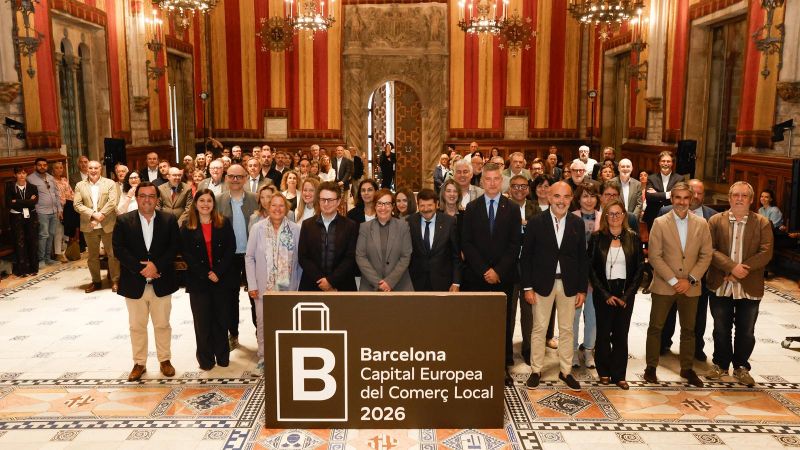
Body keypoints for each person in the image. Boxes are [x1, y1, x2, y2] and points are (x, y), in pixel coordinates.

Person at [643, 182, 712, 387]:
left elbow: (706, 255)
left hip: (691, 286)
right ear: (671, 200)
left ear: (691, 200)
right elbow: (655, 256)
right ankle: (651, 367)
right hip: (665, 285)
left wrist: (690, 279)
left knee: (689, 329)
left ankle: (687, 368)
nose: (682, 202)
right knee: (656, 327)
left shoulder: (701, 224)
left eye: (685, 198)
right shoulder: (660, 222)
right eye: (678, 198)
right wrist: (674, 280)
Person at [705, 182, 773, 387]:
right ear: (729, 197)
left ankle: (742, 367)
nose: (740, 199)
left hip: (749, 285)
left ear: (751, 200)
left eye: (744, 195)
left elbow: (766, 252)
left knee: (746, 330)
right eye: (736, 195)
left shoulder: (762, 222)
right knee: (720, 328)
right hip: (721, 283)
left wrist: (741, 272)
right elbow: (710, 249)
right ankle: (720, 364)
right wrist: (731, 267)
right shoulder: (716, 220)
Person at [521, 181, 587, 391]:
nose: (561, 201)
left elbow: (582, 259)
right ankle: (536, 370)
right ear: (549, 198)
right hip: (541, 284)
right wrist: (527, 287)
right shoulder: (536, 222)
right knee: (539, 329)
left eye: (566, 197)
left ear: (571, 200)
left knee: (567, 330)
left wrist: (582, 289)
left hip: (569, 284)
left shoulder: (577, 223)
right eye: (557, 196)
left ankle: (566, 371)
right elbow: (527, 258)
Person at [461, 163, 521, 387]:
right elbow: (467, 243)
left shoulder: (512, 208)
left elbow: (515, 244)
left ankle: (502, 365)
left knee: (503, 323)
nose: (493, 183)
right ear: (482, 181)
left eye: (497, 178)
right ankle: (477, 363)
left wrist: (498, 271)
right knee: (478, 323)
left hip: (503, 277)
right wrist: (484, 270)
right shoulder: (472, 208)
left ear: (502, 181)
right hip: (477, 277)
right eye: (488, 179)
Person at [113, 181, 180, 382]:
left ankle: (164, 360)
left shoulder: (168, 220)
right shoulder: (124, 221)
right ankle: (139, 363)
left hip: (161, 281)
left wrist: (156, 266)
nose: (147, 200)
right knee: (137, 326)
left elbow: (174, 247)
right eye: (143, 196)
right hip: (134, 283)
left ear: (157, 199)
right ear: (137, 198)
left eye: (151, 196)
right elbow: (119, 249)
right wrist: (141, 268)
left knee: (162, 324)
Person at [657, 178, 717, 359]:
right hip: (669, 278)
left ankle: (696, 348)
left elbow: (710, 250)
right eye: (693, 192)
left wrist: (693, 277)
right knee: (667, 315)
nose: (696, 196)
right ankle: (663, 343)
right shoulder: (665, 212)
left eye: (700, 193)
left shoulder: (711, 216)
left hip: (698, 278)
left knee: (697, 318)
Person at [587, 200, 644, 389]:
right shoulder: (596, 238)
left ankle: (619, 374)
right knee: (603, 334)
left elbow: (639, 269)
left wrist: (627, 295)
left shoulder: (633, 237)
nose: (614, 217)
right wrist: (604, 294)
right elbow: (591, 269)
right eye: (610, 214)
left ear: (624, 216)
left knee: (621, 334)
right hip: (604, 292)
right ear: (605, 217)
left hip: (625, 292)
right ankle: (603, 371)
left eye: (618, 213)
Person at [245, 192, 303, 372]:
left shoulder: (296, 229)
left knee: (287, 323)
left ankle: (287, 356)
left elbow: (301, 260)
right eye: (273, 205)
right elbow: (249, 257)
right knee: (263, 323)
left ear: (287, 208)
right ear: (267, 208)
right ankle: (264, 357)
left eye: (281, 206)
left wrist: (298, 286)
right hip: (264, 288)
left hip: (289, 288)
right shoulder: (258, 228)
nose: (277, 209)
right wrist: (252, 285)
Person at [180, 189, 236, 371]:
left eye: (209, 201)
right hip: (198, 281)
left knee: (221, 319)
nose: (205, 204)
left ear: (214, 204)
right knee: (202, 322)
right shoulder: (187, 226)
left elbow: (231, 248)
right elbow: (186, 254)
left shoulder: (223, 222)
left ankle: (222, 356)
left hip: (221, 279)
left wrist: (217, 271)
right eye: (202, 200)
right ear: (196, 204)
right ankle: (205, 359)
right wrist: (205, 273)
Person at [217, 164, 259, 350]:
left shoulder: (255, 199)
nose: (235, 180)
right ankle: (233, 333)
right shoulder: (217, 201)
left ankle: (261, 333)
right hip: (228, 258)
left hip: (252, 256)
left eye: (239, 177)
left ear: (245, 178)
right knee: (229, 298)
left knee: (255, 296)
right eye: (231, 176)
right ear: (226, 178)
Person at [298, 182, 359, 291]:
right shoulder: (307, 225)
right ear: (318, 200)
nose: (326, 203)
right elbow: (303, 257)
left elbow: (350, 258)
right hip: (313, 285)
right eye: (323, 199)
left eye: (330, 200)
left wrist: (331, 281)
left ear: (338, 201)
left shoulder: (350, 225)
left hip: (342, 285)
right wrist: (322, 280)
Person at [73, 160, 120, 293]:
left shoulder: (109, 183)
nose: (93, 170)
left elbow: (112, 202)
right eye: (90, 168)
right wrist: (93, 214)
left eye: (96, 168)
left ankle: (115, 280)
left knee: (112, 254)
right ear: (87, 170)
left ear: (101, 169)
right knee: (92, 256)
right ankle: (96, 281)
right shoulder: (80, 185)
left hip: (108, 224)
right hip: (89, 225)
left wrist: (101, 215)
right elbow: (77, 205)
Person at [356, 189, 414, 292]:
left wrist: (390, 282)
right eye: (379, 204)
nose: (383, 208)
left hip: (400, 286)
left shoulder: (403, 226)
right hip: (370, 286)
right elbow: (361, 257)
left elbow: (406, 256)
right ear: (375, 206)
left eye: (387, 204)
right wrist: (379, 283)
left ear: (392, 206)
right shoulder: (364, 227)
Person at [570, 183, 601, 368]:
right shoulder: (571, 217)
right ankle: (572, 351)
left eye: (592, 196)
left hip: (596, 277)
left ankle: (589, 350)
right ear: (579, 199)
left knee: (593, 316)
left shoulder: (603, 217)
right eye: (585, 196)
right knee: (572, 317)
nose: (589, 200)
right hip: (574, 276)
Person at [407, 189, 461, 291]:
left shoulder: (449, 222)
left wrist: (456, 282)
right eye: (422, 205)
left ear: (437, 204)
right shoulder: (409, 222)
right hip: (416, 282)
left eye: (429, 205)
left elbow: (456, 256)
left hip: (443, 283)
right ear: (418, 206)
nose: (426, 209)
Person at [27, 158, 62, 267]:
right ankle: (41, 259)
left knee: (51, 234)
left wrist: (59, 209)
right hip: (41, 211)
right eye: (40, 165)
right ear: (35, 166)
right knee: (43, 235)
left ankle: (48, 258)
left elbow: (56, 194)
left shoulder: (51, 178)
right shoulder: (30, 179)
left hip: (53, 211)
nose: (42, 167)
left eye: (44, 165)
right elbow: (29, 196)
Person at [7, 167, 39, 276]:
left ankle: (33, 268)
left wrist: (18, 201)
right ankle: (22, 270)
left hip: (31, 216)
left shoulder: (33, 187)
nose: (21, 175)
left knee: (32, 241)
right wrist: (27, 201)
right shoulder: (10, 187)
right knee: (20, 242)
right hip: (16, 217)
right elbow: (9, 203)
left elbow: (34, 202)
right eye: (19, 173)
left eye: (24, 173)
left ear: (26, 175)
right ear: (15, 175)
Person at [644, 151, 685, 230]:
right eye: (663, 161)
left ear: (672, 163)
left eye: (668, 161)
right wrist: (668, 194)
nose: (665, 164)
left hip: (673, 215)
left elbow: (678, 196)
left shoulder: (679, 179)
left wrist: (657, 194)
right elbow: (649, 196)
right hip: (653, 215)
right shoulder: (651, 178)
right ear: (659, 163)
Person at [51, 161, 75, 262]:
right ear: (52, 170)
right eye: (57, 168)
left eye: (61, 167)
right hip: (57, 208)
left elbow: (70, 192)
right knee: (58, 230)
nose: (59, 169)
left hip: (68, 207)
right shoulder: (51, 181)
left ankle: (65, 251)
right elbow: (53, 196)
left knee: (67, 230)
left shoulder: (64, 180)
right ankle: (58, 253)